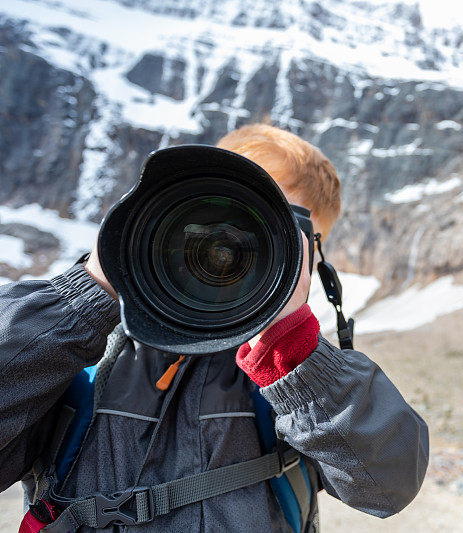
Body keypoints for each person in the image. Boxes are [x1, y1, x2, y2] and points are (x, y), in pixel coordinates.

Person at [0, 123, 429, 531]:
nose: (233, 244)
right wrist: (87, 296)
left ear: (309, 258)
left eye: (282, 232)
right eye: (226, 214)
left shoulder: (294, 379)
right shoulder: (80, 355)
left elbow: (388, 485)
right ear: (173, 206)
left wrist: (293, 354)